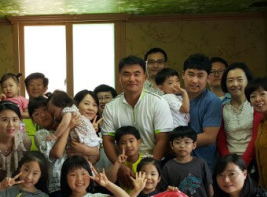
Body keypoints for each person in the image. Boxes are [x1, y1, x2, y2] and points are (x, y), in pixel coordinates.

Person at [101, 56, 173, 187]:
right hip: (124, 168)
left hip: (153, 166)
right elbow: (108, 140)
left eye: (137, 74)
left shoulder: (158, 103)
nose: (132, 79)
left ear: (144, 77)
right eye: (126, 74)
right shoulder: (111, 107)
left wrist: (149, 169)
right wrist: (120, 167)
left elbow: (162, 139)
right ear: (120, 78)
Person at [31, 96, 88, 197]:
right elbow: (57, 153)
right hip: (58, 186)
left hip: (80, 183)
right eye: (36, 114)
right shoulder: (41, 134)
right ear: (33, 121)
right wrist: (68, 127)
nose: (42, 115)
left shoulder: (75, 127)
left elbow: (94, 153)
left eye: (45, 110)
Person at [160, 126, 213, 197]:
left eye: (187, 142)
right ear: (171, 145)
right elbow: (164, 190)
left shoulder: (201, 163)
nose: (182, 146)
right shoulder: (168, 166)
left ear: (194, 145)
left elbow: (208, 185)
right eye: (177, 142)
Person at [216, 63, 261, 168]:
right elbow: (221, 140)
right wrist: (229, 163)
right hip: (229, 163)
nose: (235, 84)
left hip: (254, 161)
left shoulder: (256, 107)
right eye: (230, 80)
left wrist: (243, 163)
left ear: (248, 81)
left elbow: (256, 137)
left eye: (240, 79)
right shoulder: (222, 109)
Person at [55, 156, 145, 197]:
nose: (79, 179)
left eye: (83, 174)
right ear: (65, 178)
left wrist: (107, 184)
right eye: (73, 175)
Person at [183, 53, 222, 169]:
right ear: (183, 75)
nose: (195, 80)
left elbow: (209, 137)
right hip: (175, 162)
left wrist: (178, 144)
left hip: (202, 165)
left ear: (208, 78)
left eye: (200, 76)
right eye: (191, 74)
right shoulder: (172, 98)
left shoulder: (212, 101)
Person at [47, 90, 101, 159]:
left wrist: (55, 135)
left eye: (94, 105)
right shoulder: (70, 116)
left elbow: (96, 154)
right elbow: (57, 154)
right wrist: (69, 127)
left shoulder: (67, 111)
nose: (91, 108)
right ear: (77, 104)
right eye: (86, 104)